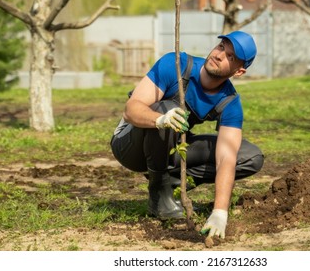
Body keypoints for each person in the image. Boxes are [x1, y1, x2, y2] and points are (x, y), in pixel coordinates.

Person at [110, 31, 264, 239]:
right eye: (221, 47)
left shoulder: (229, 102)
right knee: (167, 107)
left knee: (249, 156)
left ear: (239, 71)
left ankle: (171, 183)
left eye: (230, 57)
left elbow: (227, 156)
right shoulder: (175, 65)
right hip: (129, 144)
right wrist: (159, 120)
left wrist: (220, 212)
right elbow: (131, 110)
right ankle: (158, 192)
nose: (219, 55)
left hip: (169, 146)